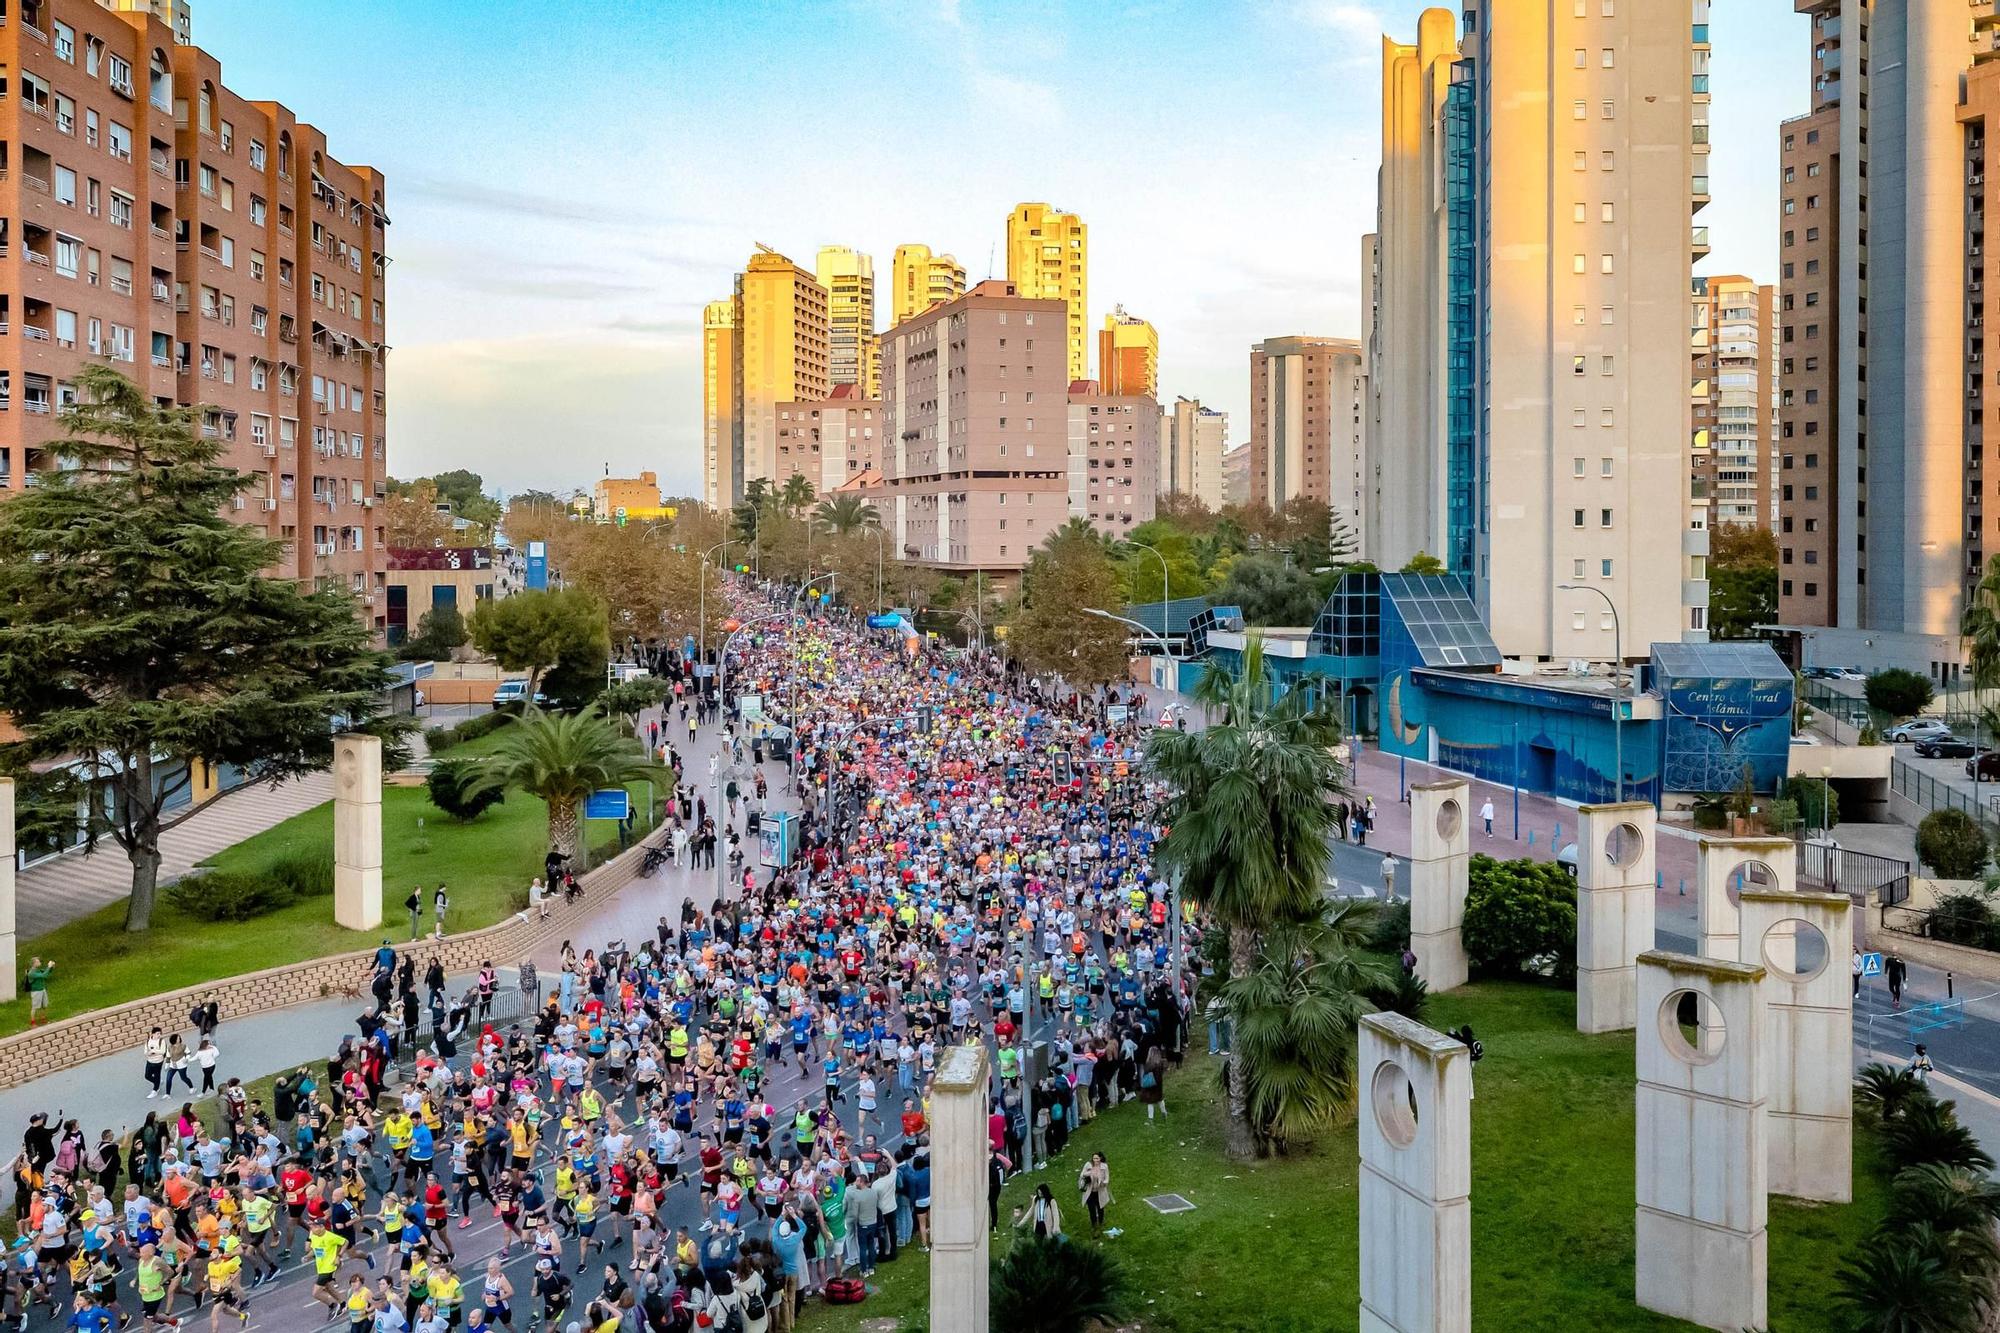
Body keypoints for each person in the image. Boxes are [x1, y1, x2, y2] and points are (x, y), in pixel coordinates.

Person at [1077, 1152, 1112, 1233]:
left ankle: (1100, 1222)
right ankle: (1094, 1225)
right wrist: (1091, 1172)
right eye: (1094, 1158)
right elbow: (1082, 1174)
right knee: (1091, 1209)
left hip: (1100, 1191)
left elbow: (1107, 1178)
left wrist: (1103, 1182)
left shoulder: (1104, 1166)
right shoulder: (1088, 1165)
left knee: (1100, 1208)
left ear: (1100, 1158)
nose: (1095, 1160)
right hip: (1090, 1192)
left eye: (1097, 1158)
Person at [23, 956, 53, 1025]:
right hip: (36, 992)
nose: (39, 962)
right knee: (35, 1007)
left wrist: (51, 967)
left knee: (44, 1005)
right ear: (34, 964)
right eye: (38, 961)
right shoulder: (31, 973)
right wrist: (49, 967)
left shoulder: (38, 970)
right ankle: (33, 1022)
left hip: (42, 990)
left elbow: (46, 973)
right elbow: (44, 976)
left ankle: (43, 1018)